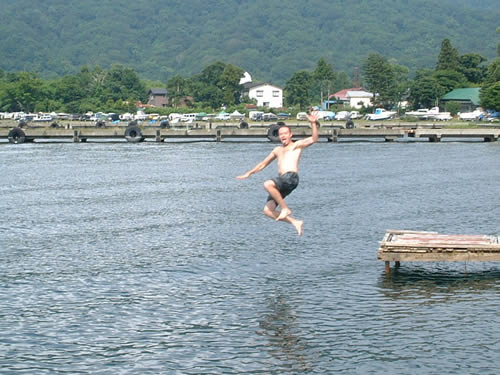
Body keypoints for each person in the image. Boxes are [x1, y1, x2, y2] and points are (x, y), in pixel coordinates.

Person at [236, 110, 319, 236]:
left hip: (291, 177)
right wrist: (249, 173)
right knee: (268, 210)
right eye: (281, 134)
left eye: (285, 133)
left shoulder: (296, 145)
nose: (283, 136)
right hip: (282, 182)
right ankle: (295, 222)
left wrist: (313, 123)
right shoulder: (277, 150)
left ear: (291, 134)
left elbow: (313, 139)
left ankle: (285, 208)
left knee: (268, 184)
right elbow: (262, 164)